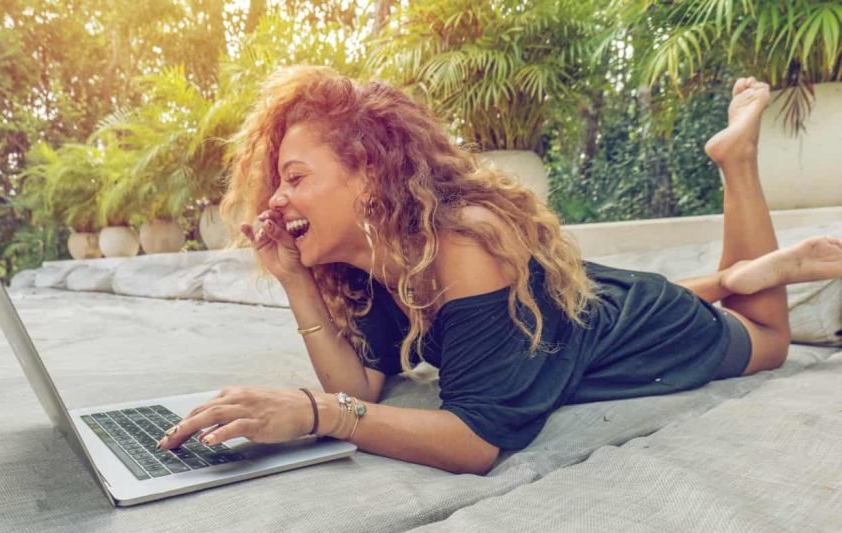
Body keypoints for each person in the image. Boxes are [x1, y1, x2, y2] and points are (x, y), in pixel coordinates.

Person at [159, 67, 842, 475]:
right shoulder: (372, 261)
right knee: (628, 298)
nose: (275, 202)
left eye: (294, 178)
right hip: (579, 307)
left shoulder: (463, 245)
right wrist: (295, 279)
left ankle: (737, 163)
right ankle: (731, 277)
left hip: (650, 326)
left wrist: (315, 414)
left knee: (770, 338)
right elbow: (361, 382)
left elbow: (476, 438)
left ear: (368, 179)